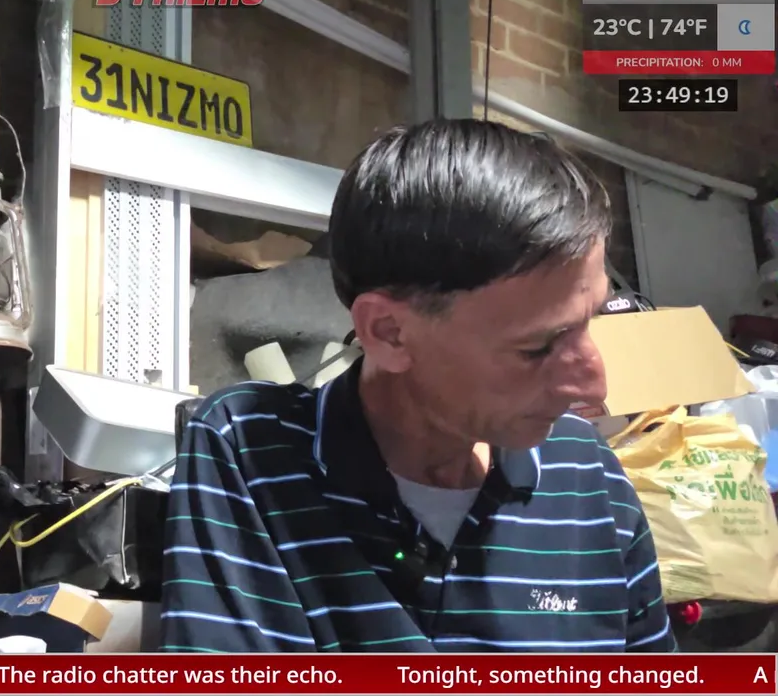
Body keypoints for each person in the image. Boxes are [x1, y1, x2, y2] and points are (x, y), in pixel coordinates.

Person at [159, 119, 675, 653]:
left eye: (591, 321)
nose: (593, 382)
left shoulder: (589, 476)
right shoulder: (252, 451)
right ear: (389, 333)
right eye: (537, 347)